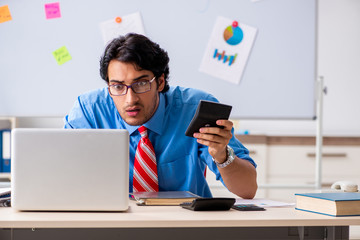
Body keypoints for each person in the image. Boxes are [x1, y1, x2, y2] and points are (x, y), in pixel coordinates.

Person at [64, 33, 257, 199]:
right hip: (114, 226)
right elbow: (61, 176)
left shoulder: (195, 109)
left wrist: (222, 155)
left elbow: (247, 190)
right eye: (117, 86)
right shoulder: (89, 111)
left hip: (184, 226)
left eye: (141, 84)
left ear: (161, 82)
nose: (130, 99)